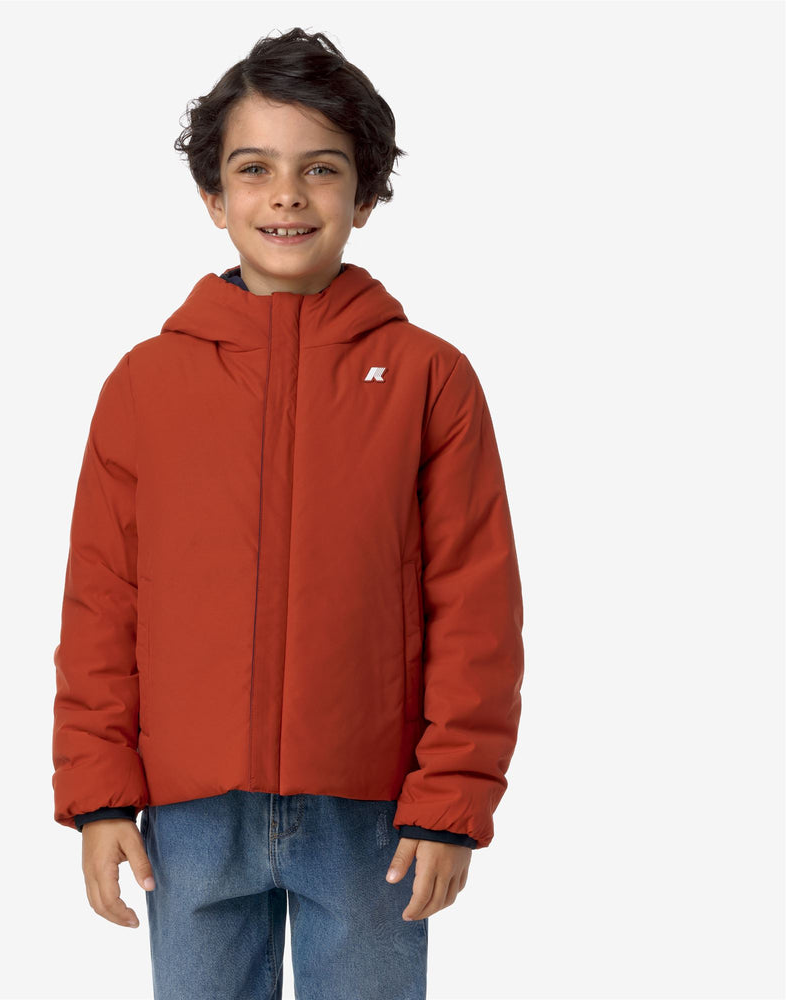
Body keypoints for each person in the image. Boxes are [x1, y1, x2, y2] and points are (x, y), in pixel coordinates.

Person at [51, 27, 524, 1000]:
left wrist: (450, 800)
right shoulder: (146, 383)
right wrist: (100, 796)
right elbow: (102, 601)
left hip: (373, 811)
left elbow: (475, 605)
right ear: (213, 197)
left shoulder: (429, 379)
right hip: (190, 813)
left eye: (321, 168)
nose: (287, 195)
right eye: (255, 169)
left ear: (365, 193)